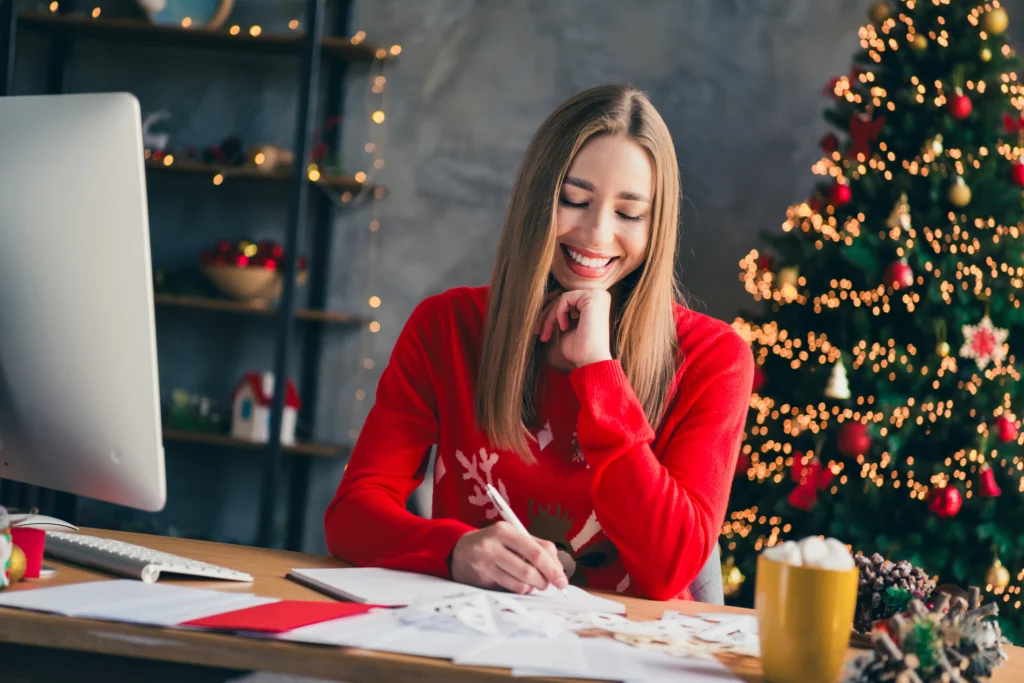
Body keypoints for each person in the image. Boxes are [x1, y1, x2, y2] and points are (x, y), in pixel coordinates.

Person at [325, 83, 754, 601]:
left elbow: (670, 569)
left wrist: (599, 371)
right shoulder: (447, 327)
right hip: (469, 643)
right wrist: (453, 549)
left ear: (655, 225)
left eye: (628, 213)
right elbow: (352, 514)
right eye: (574, 200)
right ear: (536, 200)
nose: (597, 235)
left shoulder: (715, 357)